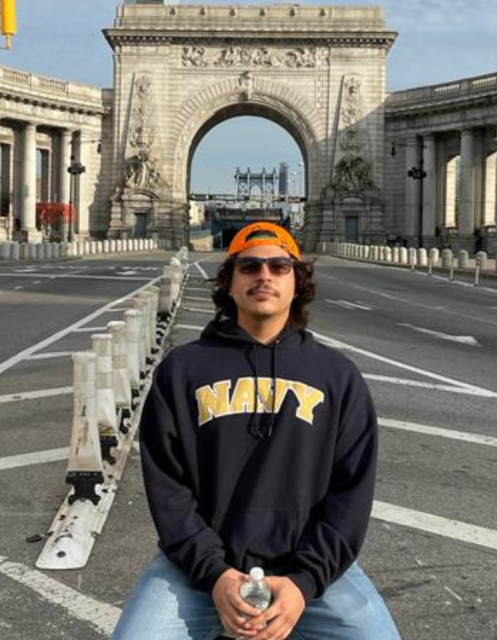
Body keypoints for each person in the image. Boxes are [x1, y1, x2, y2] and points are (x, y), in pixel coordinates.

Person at [110, 221, 402, 640]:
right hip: (200, 571)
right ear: (228, 282)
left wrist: (305, 583)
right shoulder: (182, 370)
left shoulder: (339, 376)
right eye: (249, 266)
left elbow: (351, 494)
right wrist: (215, 575)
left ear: (297, 283)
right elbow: (168, 488)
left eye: (279, 266)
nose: (264, 276)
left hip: (306, 568)